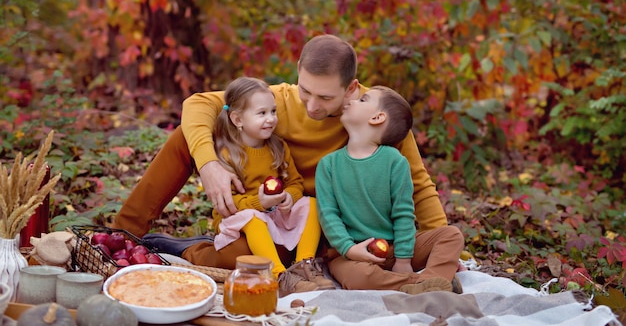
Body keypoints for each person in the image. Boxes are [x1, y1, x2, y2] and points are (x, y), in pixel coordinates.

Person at [113, 34, 464, 293]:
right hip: (272, 219)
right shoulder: (275, 102)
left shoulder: (374, 116)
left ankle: (193, 247)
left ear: (352, 88)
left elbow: (417, 183)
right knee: (186, 138)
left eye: (325, 97)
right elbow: (198, 105)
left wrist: (435, 249)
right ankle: (120, 235)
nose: (311, 105)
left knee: (259, 257)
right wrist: (209, 165)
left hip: (326, 234)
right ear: (298, 72)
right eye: (305, 90)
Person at [316, 85, 455, 293]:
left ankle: (431, 280)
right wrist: (349, 248)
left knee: (451, 236)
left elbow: (403, 213)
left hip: (395, 248)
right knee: (358, 277)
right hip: (351, 255)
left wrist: (403, 258)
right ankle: (419, 284)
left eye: (363, 100)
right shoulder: (328, 165)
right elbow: (328, 215)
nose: (352, 101)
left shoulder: (395, 162)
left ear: (377, 118)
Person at [209, 76, 334, 295]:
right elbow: (226, 203)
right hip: (238, 218)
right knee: (254, 219)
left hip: (274, 213)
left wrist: (289, 197)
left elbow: (295, 183)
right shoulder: (229, 154)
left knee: (312, 204)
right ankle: (278, 275)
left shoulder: (278, 147)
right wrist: (259, 203)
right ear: (238, 119)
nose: (270, 119)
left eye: (273, 112)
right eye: (262, 113)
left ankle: (304, 264)